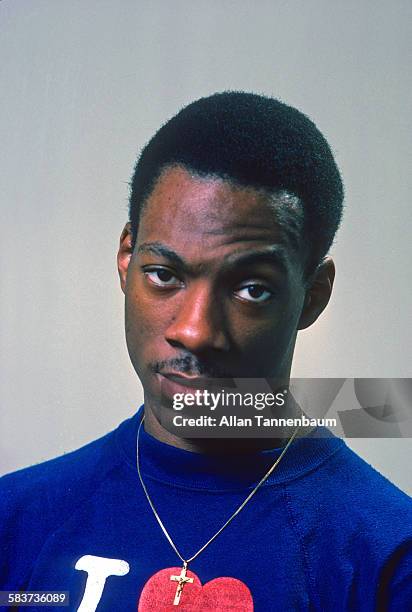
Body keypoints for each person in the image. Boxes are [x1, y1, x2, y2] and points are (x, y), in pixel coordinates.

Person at [0, 92, 411, 611]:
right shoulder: (14, 522)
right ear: (127, 259)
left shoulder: (389, 560)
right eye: (165, 275)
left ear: (313, 294)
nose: (195, 332)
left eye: (251, 289)